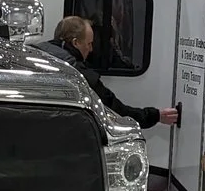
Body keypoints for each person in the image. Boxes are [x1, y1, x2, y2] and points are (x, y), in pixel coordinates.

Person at [48, 15, 179, 127]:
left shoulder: (40, 54)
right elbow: (116, 112)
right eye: (89, 44)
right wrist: (155, 116)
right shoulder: (77, 74)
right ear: (75, 43)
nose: (91, 49)